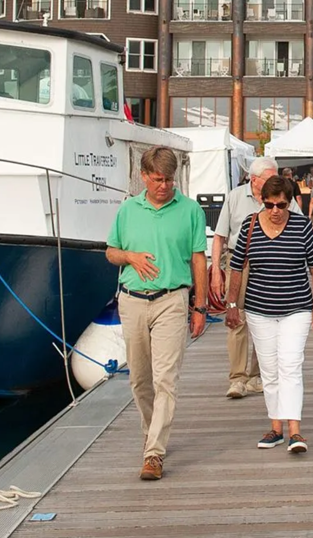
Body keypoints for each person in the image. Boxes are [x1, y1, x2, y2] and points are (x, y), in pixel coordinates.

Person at [105, 146, 207, 481]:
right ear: (144, 177)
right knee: (140, 379)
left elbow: (198, 260)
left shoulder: (190, 210)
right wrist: (131, 257)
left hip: (171, 300)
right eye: (158, 179)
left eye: (169, 179)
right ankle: (152, 432)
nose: (164, 185)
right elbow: (110, 252)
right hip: (132, 301)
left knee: (166, 378)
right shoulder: (127, 209)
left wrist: (200, 307)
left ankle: (154, 453)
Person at [224, 176, 313, 454]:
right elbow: (236, 267)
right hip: (259, 310)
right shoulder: (250, 226)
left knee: (290, 365)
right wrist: (232, 304)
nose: (275, 210)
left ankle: (295, 430)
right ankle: (276, 428)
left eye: (281, 204)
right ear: (262, 202)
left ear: (290, 202)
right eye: (269, 204)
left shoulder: (302, 226)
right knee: (269, 371)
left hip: (297, 308)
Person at [212, 157, 301, 400]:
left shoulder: (279, 197)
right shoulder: (235, 197)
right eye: (270, 178)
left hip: (271, 265)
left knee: (265, 318)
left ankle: (257, 375)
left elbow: (303, 224)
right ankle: (237, 378)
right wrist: (215, 272)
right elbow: (220, 236)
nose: (275, 181)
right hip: (238, 264)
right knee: (236, 318)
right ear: (254, 179)